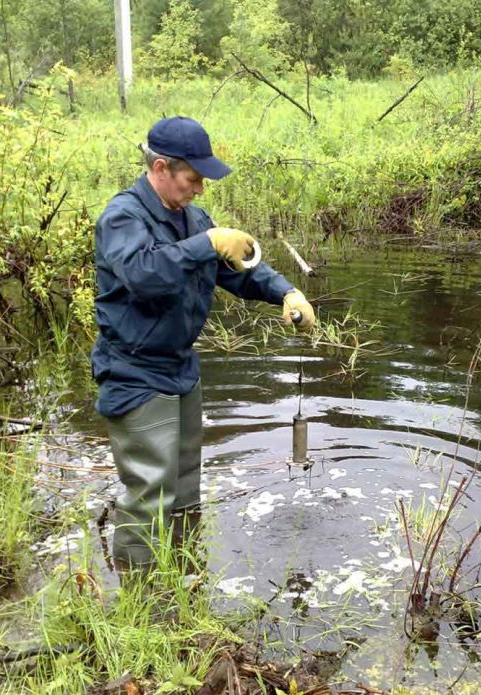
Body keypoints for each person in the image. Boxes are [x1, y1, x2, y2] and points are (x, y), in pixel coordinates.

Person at [91, 116, 315, 570]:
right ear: (160, 169)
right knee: (149, 492)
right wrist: (207, 244)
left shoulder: (194, 219)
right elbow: (143, 275)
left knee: (186, 485)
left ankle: (185, 579)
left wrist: (285, 292)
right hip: (134, 374)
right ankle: (142, 604)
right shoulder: (122, 218)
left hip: (181, 370)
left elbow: (236, 271)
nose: (200, 190)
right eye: (193, 179)